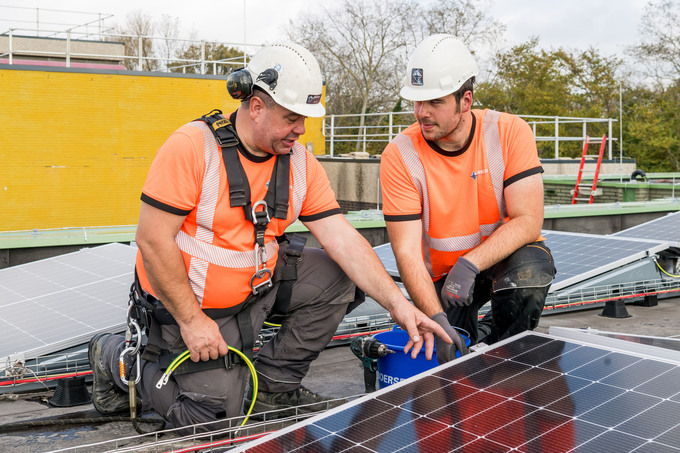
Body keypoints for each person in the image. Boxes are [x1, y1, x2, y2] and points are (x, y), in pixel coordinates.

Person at [87, 42, 451, 433]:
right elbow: (153, 240)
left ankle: (273, 390)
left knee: (338, 275)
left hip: (255, 292)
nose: (302, 129)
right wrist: (192, 322)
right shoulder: (193, 148)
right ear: (257, 106)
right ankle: (112, 356)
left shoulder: (298, 163)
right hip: (190, 305)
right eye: (293, 117)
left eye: (305, 119)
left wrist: (398, 305)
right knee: (211, 422)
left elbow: (343, 240)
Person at [380, 34, 556, 364]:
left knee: (530, 272)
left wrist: (470, 264)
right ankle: (475, 341)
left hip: (498, 261)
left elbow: (528, 220)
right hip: (441, 280)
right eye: (418, 102)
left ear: (466, 100)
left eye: (435, 102)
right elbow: (406, 253)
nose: (422, 113)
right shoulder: (399, 155)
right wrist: (436, 317)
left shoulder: (509, 132)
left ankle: (505, 362)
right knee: (443, 349)